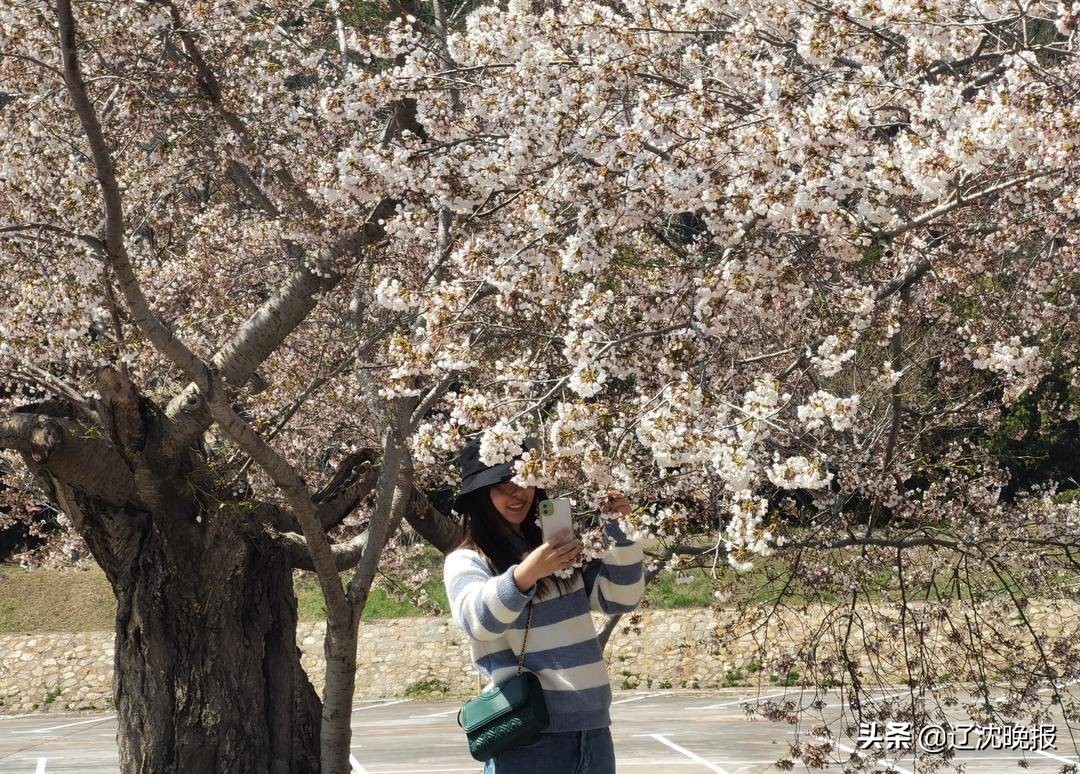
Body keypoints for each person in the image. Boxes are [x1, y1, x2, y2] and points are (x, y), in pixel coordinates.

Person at [443, 436, 645, 773]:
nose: (517, 492)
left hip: (593, 731)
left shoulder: (561, 555)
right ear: (478, 496)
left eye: (525, 479)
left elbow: (620, 598)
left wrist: (621, 529)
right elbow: (477, 620)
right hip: (528, 737)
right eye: (501, 483)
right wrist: (525, 575)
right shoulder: (467, 561)